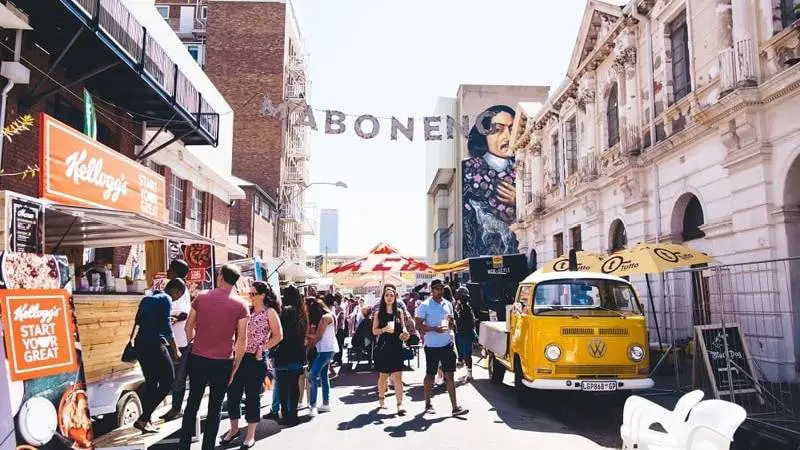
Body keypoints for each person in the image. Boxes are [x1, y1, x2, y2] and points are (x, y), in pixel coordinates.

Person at [179, 265, 249, 450]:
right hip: (223, 362)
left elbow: (188, 326)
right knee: (215, 407)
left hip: (198, 357)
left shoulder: (202, 297)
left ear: (221, 277)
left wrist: (194, 342)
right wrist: (235, 366)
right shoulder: (241, 304)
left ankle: (184, 446)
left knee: (192, 403)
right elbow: (242, 340)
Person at [221, 282, 283, 449]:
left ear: (262, 295)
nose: (250, 296)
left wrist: (263, 348)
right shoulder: (247, 310)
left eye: (253, 293)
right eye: (250, 293)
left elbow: (278, 335)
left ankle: (250, 434)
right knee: (233, 393)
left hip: (255, 359)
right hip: (238, 356)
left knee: (252, 396)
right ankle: (234, 429)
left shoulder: (269, 312)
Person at [461, 104, 519, 257]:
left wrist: (520, 201)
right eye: (498, 130)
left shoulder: (525, 166)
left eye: (512, 129)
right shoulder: (467, 169)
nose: (507, 137)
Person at [132, 279, 187, 433]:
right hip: (154, 344)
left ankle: (146, 420)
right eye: (179, 294)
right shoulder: (166, 299)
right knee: (168, 381)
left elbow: (138, 320)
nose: (177, 298)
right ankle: (143, 419)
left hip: (140, 344)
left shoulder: (148, 297)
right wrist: (176, 350)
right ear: (174, 290)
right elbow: (166, 328)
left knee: (151, 382)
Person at [415, 279, 468, 416]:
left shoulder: (448, 304)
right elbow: (417, 325)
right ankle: (428, 403)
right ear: (432, 290)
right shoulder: (425, 305)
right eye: (437, 288)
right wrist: (434, 329)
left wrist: (452, 321)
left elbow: (452, 324)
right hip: (432, 346)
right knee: (430, 375)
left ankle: (455, 407)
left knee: (450, 375)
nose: (440, 291)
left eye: (442, 288)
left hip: (447, 344)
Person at [271, 285, 308, 427]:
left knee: (283, 387)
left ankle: (286, 415)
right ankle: (293, 415)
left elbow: (278, 334)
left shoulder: (284, 312)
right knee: (293, 386)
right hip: (297, 354)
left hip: (283, 354)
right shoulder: (302, 313)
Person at [372, 284, 410, 415]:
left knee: (397, 377)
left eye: (392, 295)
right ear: (383, 297)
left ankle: (400, 404)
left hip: (396, 346)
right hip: (384, 347)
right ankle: (381, 398)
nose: (389, 297)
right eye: (387, 295)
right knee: (383, 377)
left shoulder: (399, 312)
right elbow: (374, 331)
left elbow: (403, 327)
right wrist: (383, 329)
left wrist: (405, 333)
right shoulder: (378, 314)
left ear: (395, 298)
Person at [161, 259, 191, 422]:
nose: (167, 270)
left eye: (170, 268)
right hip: (171, 340)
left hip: (179, 341)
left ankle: (177, 408)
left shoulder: (180, 288)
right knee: (173, 376)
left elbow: (184, 313)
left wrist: (170, 318)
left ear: (176, 271)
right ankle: (174, 407)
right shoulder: (173, 287)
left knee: (178, 377)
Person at [306, 298, 339, 417]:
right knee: (324, 376)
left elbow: (318, 336)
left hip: (326, 350)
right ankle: (325, 403)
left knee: (312, 375)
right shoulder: (329, 315)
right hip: (327, 349)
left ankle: (313, 406)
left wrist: (308, 348)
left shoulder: (325, 318)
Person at [454, 287, 477, 381]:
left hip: (464, 333)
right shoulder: (464, 306)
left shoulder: (464, 307)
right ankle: (469, 372)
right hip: (464, 332)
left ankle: (469, 374)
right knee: (466, 354)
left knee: (467, 354)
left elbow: (464, 321)